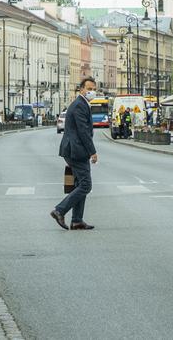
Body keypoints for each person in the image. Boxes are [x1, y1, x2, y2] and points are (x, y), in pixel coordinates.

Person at [50, 77, 98, 231]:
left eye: (94, 89)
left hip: (75, 149)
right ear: (81, 89)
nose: (92, 92)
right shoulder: (79, 105)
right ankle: (60, 210)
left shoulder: (83, 104)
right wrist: (93, 152)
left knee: (80, 184)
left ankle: (77, 221)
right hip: (75, 150)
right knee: (85, 184)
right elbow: (83, 131)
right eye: (89, 89)